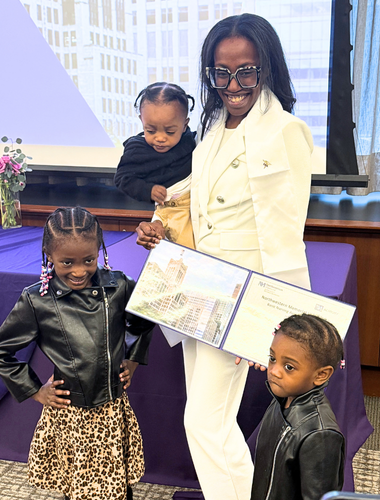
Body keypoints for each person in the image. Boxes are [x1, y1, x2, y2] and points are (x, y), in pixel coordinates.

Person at [136, 13, 314, 500]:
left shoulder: (285, 131)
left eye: (246, 71)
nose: (233, 84)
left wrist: (270, 323)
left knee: (205, 422)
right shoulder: (213, 125)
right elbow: (196, 197)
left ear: (267, 69)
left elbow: (284, 235)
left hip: (241, 295)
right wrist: (161, 220)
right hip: (197, 286)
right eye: (221, 72)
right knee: (206, 418)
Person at [0, 207, 154, 500]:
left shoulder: (118, 286)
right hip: (71, 414)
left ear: (100, 251)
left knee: (117, 484)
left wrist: (132, 360)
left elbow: (143, 320)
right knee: (79, 485)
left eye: (88, 260)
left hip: (111, 409)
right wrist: (35, 390)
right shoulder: (37, 301)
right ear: (49, 255)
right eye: (66, 262)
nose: (79, 270)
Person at [251, 314, 345, 500]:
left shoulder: (320, 435)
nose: (274, 371)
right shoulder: (281, 399)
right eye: (272, 358)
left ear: (321, 375)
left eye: (289, 367)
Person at [114, 82, 197, 248]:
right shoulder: (137, 149)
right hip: (171, 209)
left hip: (199, 204)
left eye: (170, 131)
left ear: (185, 125)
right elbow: (123, 179)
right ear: (141, 121)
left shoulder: (191, 140)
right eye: (150, 130)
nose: (160, 138)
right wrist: (148, 190)